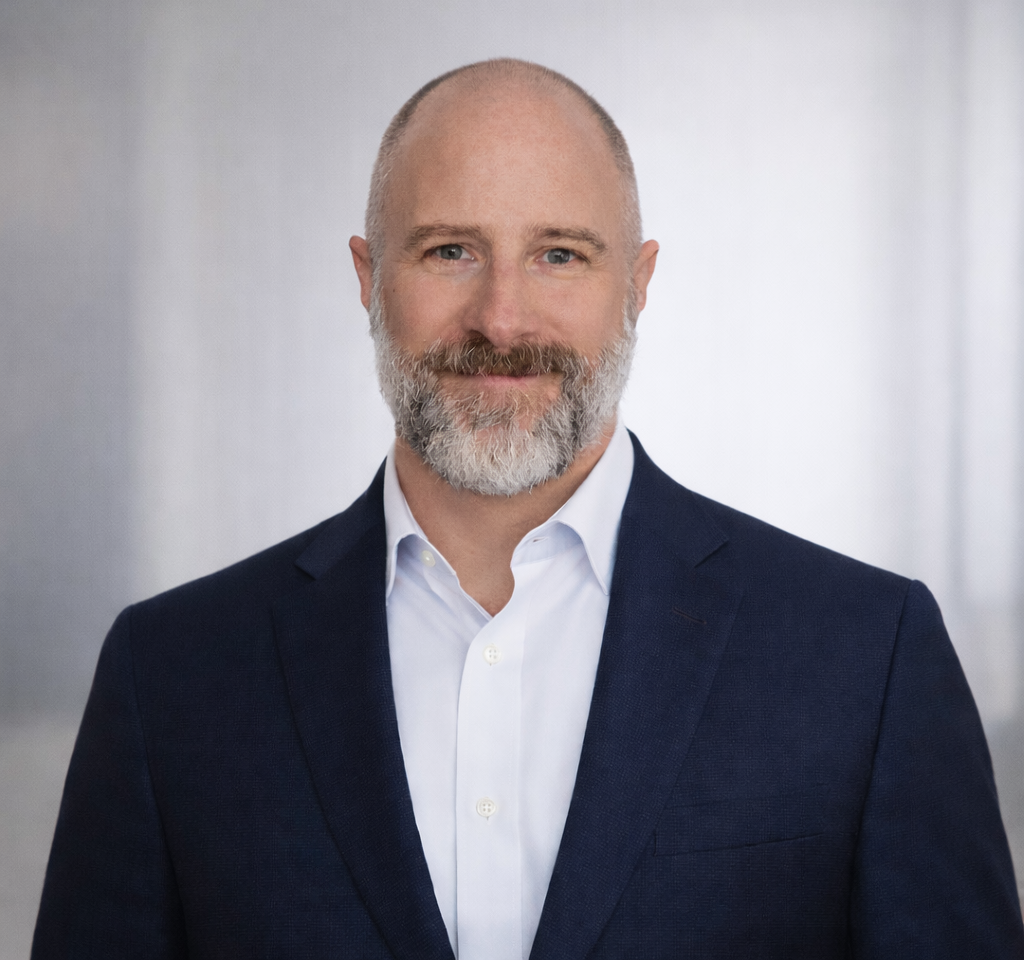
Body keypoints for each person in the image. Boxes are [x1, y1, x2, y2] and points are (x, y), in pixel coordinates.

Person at [32, 59, 1024, 960]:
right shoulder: (170, 679)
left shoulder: (866, 655)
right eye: (450, 249)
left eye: (559, 254)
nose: (502, 317)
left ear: (636, 285)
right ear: (367, 279)